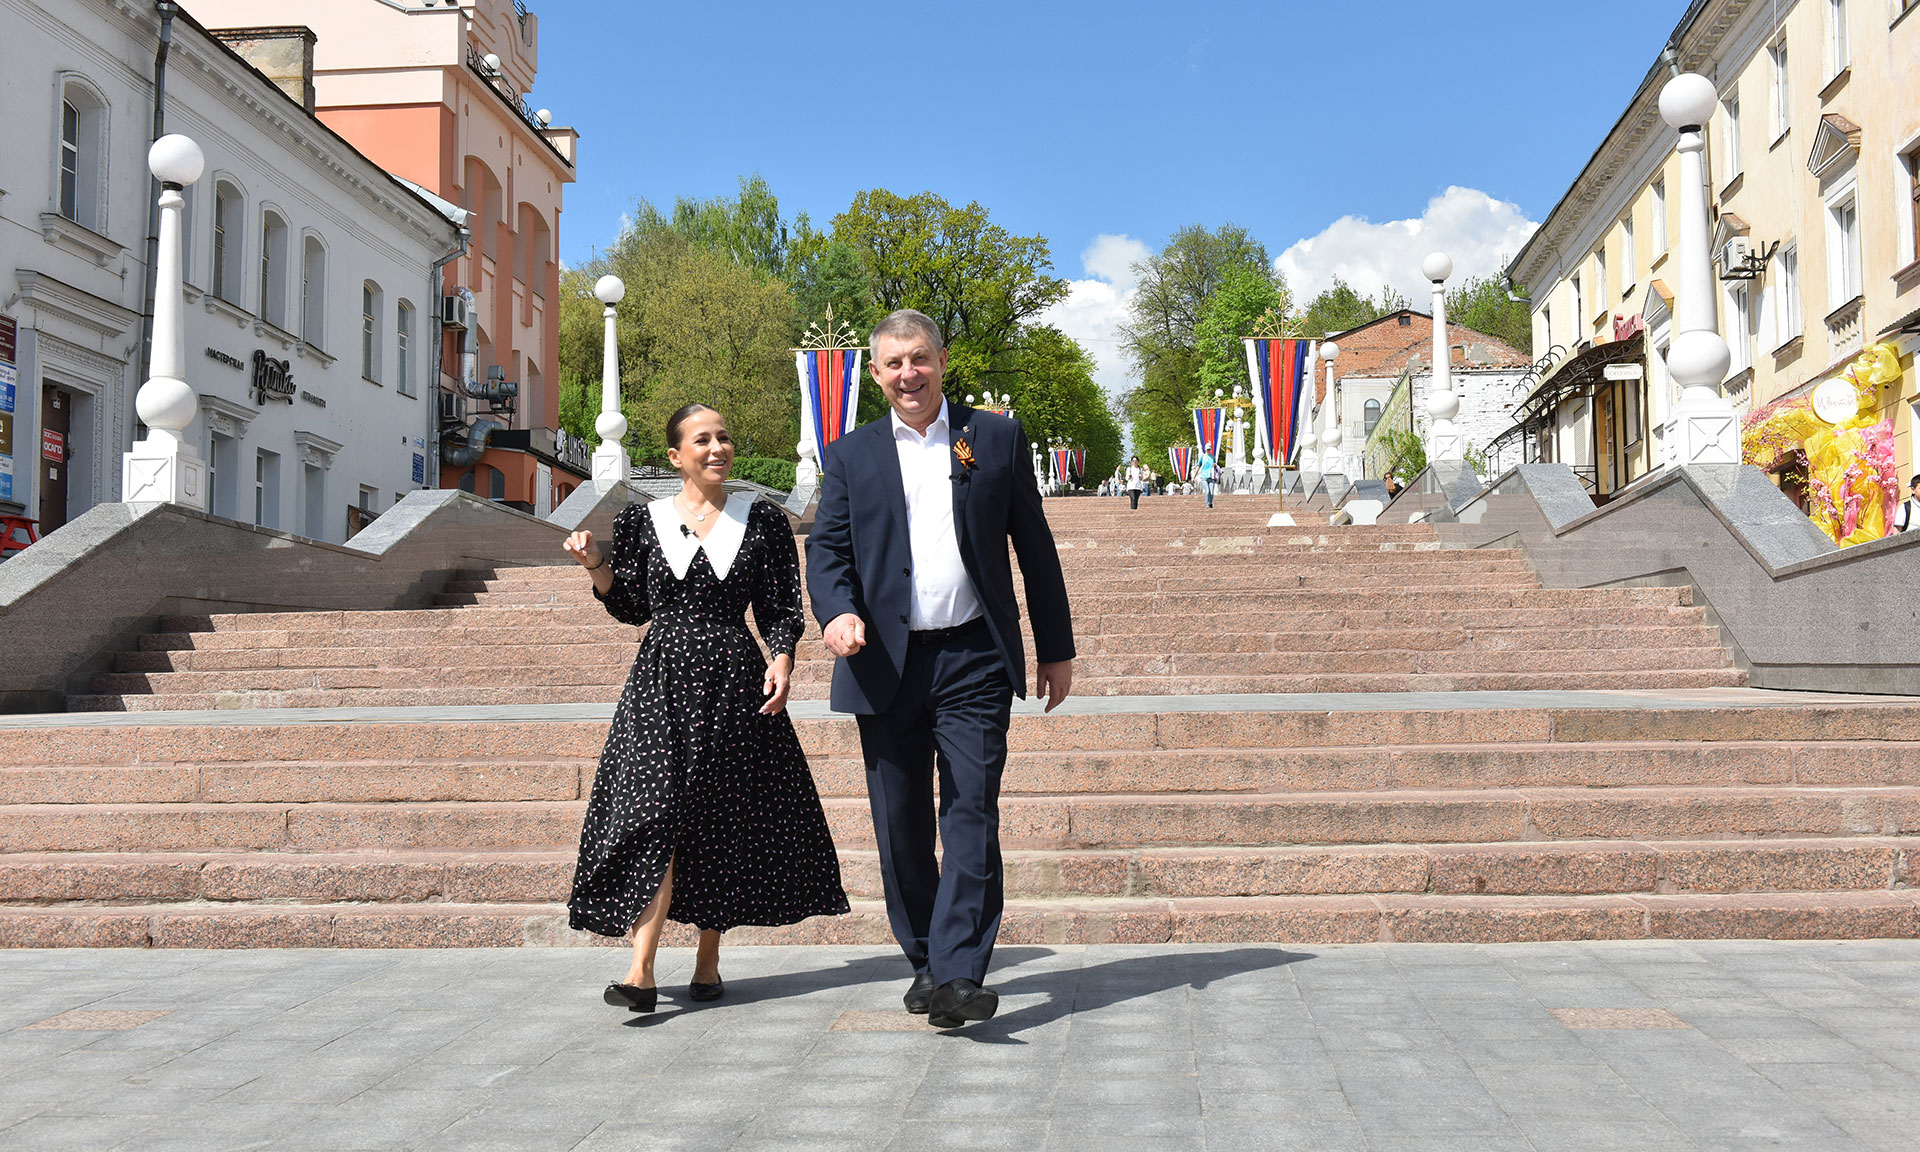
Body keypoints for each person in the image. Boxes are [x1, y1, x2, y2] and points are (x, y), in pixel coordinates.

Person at [807, 309, 1076, 1030]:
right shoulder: (850, 455)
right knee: (899, 825)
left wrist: (1055, 648)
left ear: (943, 360)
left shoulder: (995, 437)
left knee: (970, 810)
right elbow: (827, 551)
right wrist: (835, 613)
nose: (909, 374)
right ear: (875, 374)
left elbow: (1035, 546)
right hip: (882, 661)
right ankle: (926, 958)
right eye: (894, 363)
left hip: (973, 658)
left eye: (920, 358)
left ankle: (959, 972)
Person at [563, 403, 848, 1014]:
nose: (717, 447)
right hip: (660, 682)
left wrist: (782, 658)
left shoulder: (762, 520)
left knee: (718, 816)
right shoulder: (641, 521)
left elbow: (779, 606)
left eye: (723, 437)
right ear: (675, 456)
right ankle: (640, 969)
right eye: (702, 440)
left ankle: (708, 957)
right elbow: (631, 606)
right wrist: (595, 566)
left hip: (733, 679)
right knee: (653, 811)